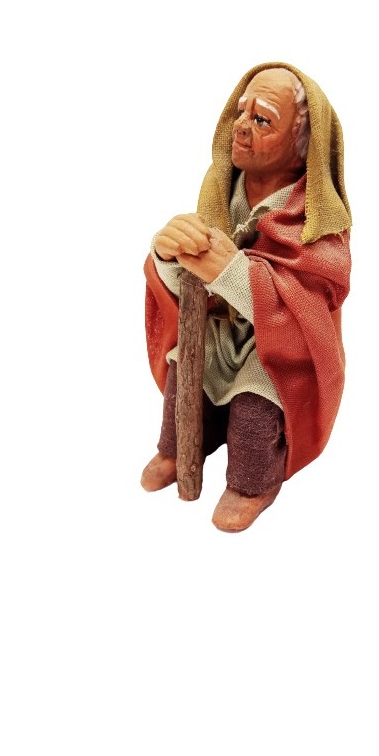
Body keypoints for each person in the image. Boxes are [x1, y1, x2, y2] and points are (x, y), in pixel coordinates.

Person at [141, 62, 351, 532]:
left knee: (257, 401)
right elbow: (188, 290)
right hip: (223, 331)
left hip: (278, 353)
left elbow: (308, 311)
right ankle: (178, 448)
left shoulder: (318, 221)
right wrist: (168, 254)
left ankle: (252, 482)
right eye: (241, 112)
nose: (241, 126)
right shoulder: (220, 193)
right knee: (185, 367)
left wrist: (232, 272)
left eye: (262, 120)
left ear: (302, 145)